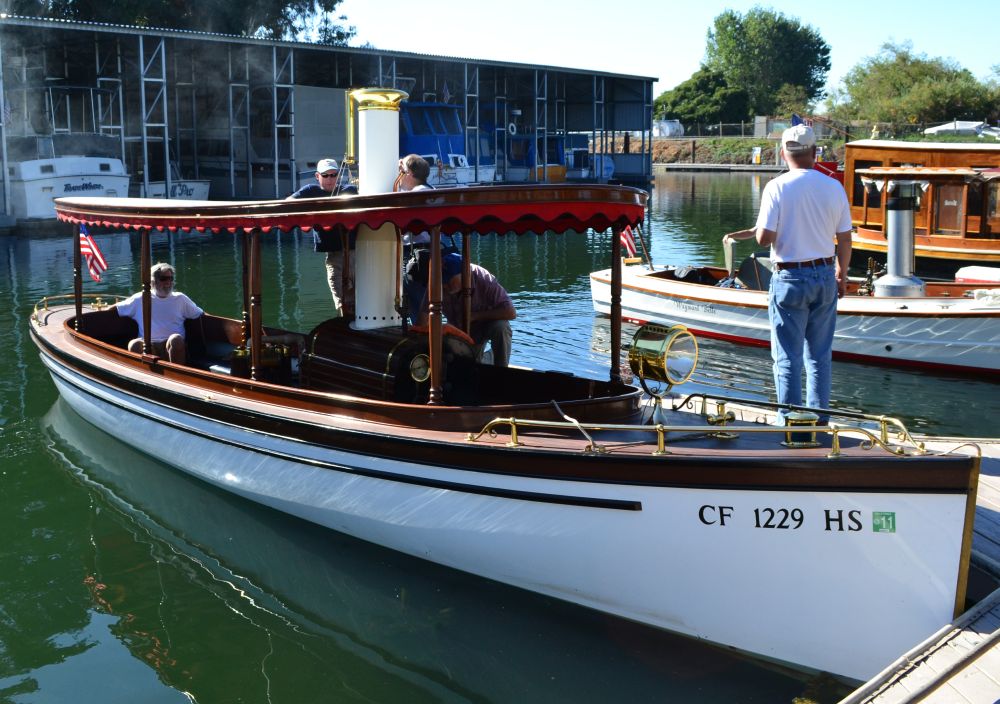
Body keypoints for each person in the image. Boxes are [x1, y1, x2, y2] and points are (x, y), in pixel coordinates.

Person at [721, 124, 852, 422]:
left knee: (787, 358)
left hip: (790, 278)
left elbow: (764, 239)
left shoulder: (777, 186)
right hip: (824, 275)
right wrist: (841, 274)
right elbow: (845, 239)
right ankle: (818, 422)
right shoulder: (834, 186)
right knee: (819, 358)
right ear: (815, 152)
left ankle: (790, 426)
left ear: (783, 153)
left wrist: (763, 228)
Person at [415, 253, 516, 367]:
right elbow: (422, 318)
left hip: (485, 325)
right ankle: (485, 358)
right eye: (442, 279)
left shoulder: (484, 279)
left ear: (464, 274)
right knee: (465, 366)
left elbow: (511, 312)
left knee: (501, 327)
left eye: (448, 280)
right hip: (457, 329)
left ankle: (502, 371)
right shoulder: (437, 284)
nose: (444, 284)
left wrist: (474, 316)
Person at [286, 158, 358, 315]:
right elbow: (288, 203)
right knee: (342, 302)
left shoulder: (349, 190)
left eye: (333, 175)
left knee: (364, 300)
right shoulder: (311, 191)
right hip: (335, 256)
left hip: (358, 254)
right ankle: (346, 331)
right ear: (317, 176)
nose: (330, 179)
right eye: (326, 175)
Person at [116, 262, 203, 364]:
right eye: (163, 279)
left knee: (176, 339)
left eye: (171, 279)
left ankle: (177, 376)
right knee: (134, 344)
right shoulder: (141, 298)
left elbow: (200, 313)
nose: (168, 282)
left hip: (173, 347)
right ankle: (143, 376)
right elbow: (118, 308)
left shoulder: (180, 299)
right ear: (153, 282)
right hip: (149, 347)